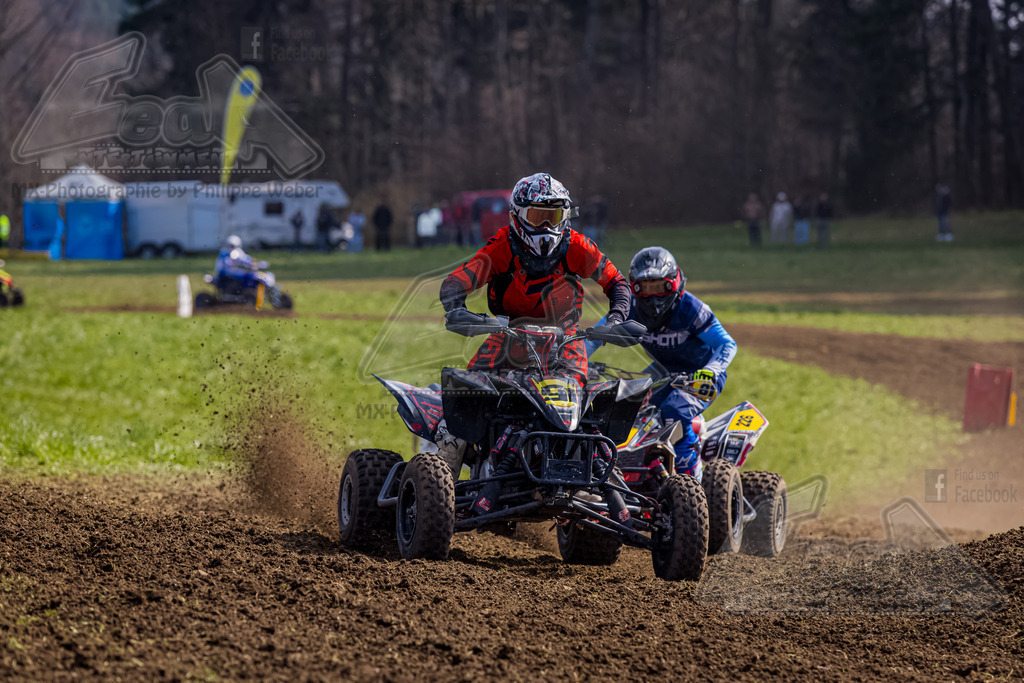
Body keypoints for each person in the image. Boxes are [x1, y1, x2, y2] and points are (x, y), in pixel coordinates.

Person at [439, 172, 630, 388]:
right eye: (538, 217)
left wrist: (616, 319)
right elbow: (455, 283)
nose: (547, 226)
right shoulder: (501, 247)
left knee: (570, 394)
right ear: (517, 216)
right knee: (468, 389)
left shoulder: (578, 246)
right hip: (510, 334)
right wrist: (459, 310)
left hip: (565, 339)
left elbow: (617, 282)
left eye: (554, 217)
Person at [586, 247, 736, 483]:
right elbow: (594, 337)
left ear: (673, 285)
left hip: (702, 374)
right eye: (645, 288)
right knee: (628, 407)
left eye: (659, 287)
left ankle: (692, 480)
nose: (653, 297)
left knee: (675, 411)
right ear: (634, 288)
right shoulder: (629, 308)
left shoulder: (692, 309)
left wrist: (710, 371)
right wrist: (575, 363)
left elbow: (726, 344)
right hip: (663, 370)